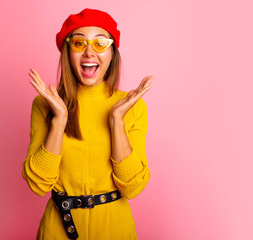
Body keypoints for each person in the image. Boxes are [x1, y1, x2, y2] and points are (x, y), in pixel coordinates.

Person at [22, 8, 153, 240]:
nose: (90, 52)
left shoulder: (132, 107)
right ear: (67, 52)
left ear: (112, 52)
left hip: (115, 230)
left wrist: (117, 121)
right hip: (59, 230)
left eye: (100, 43)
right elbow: (38, 184)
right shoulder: (45, 105)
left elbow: (132, 188)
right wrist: (59, 120)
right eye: (79, 43)